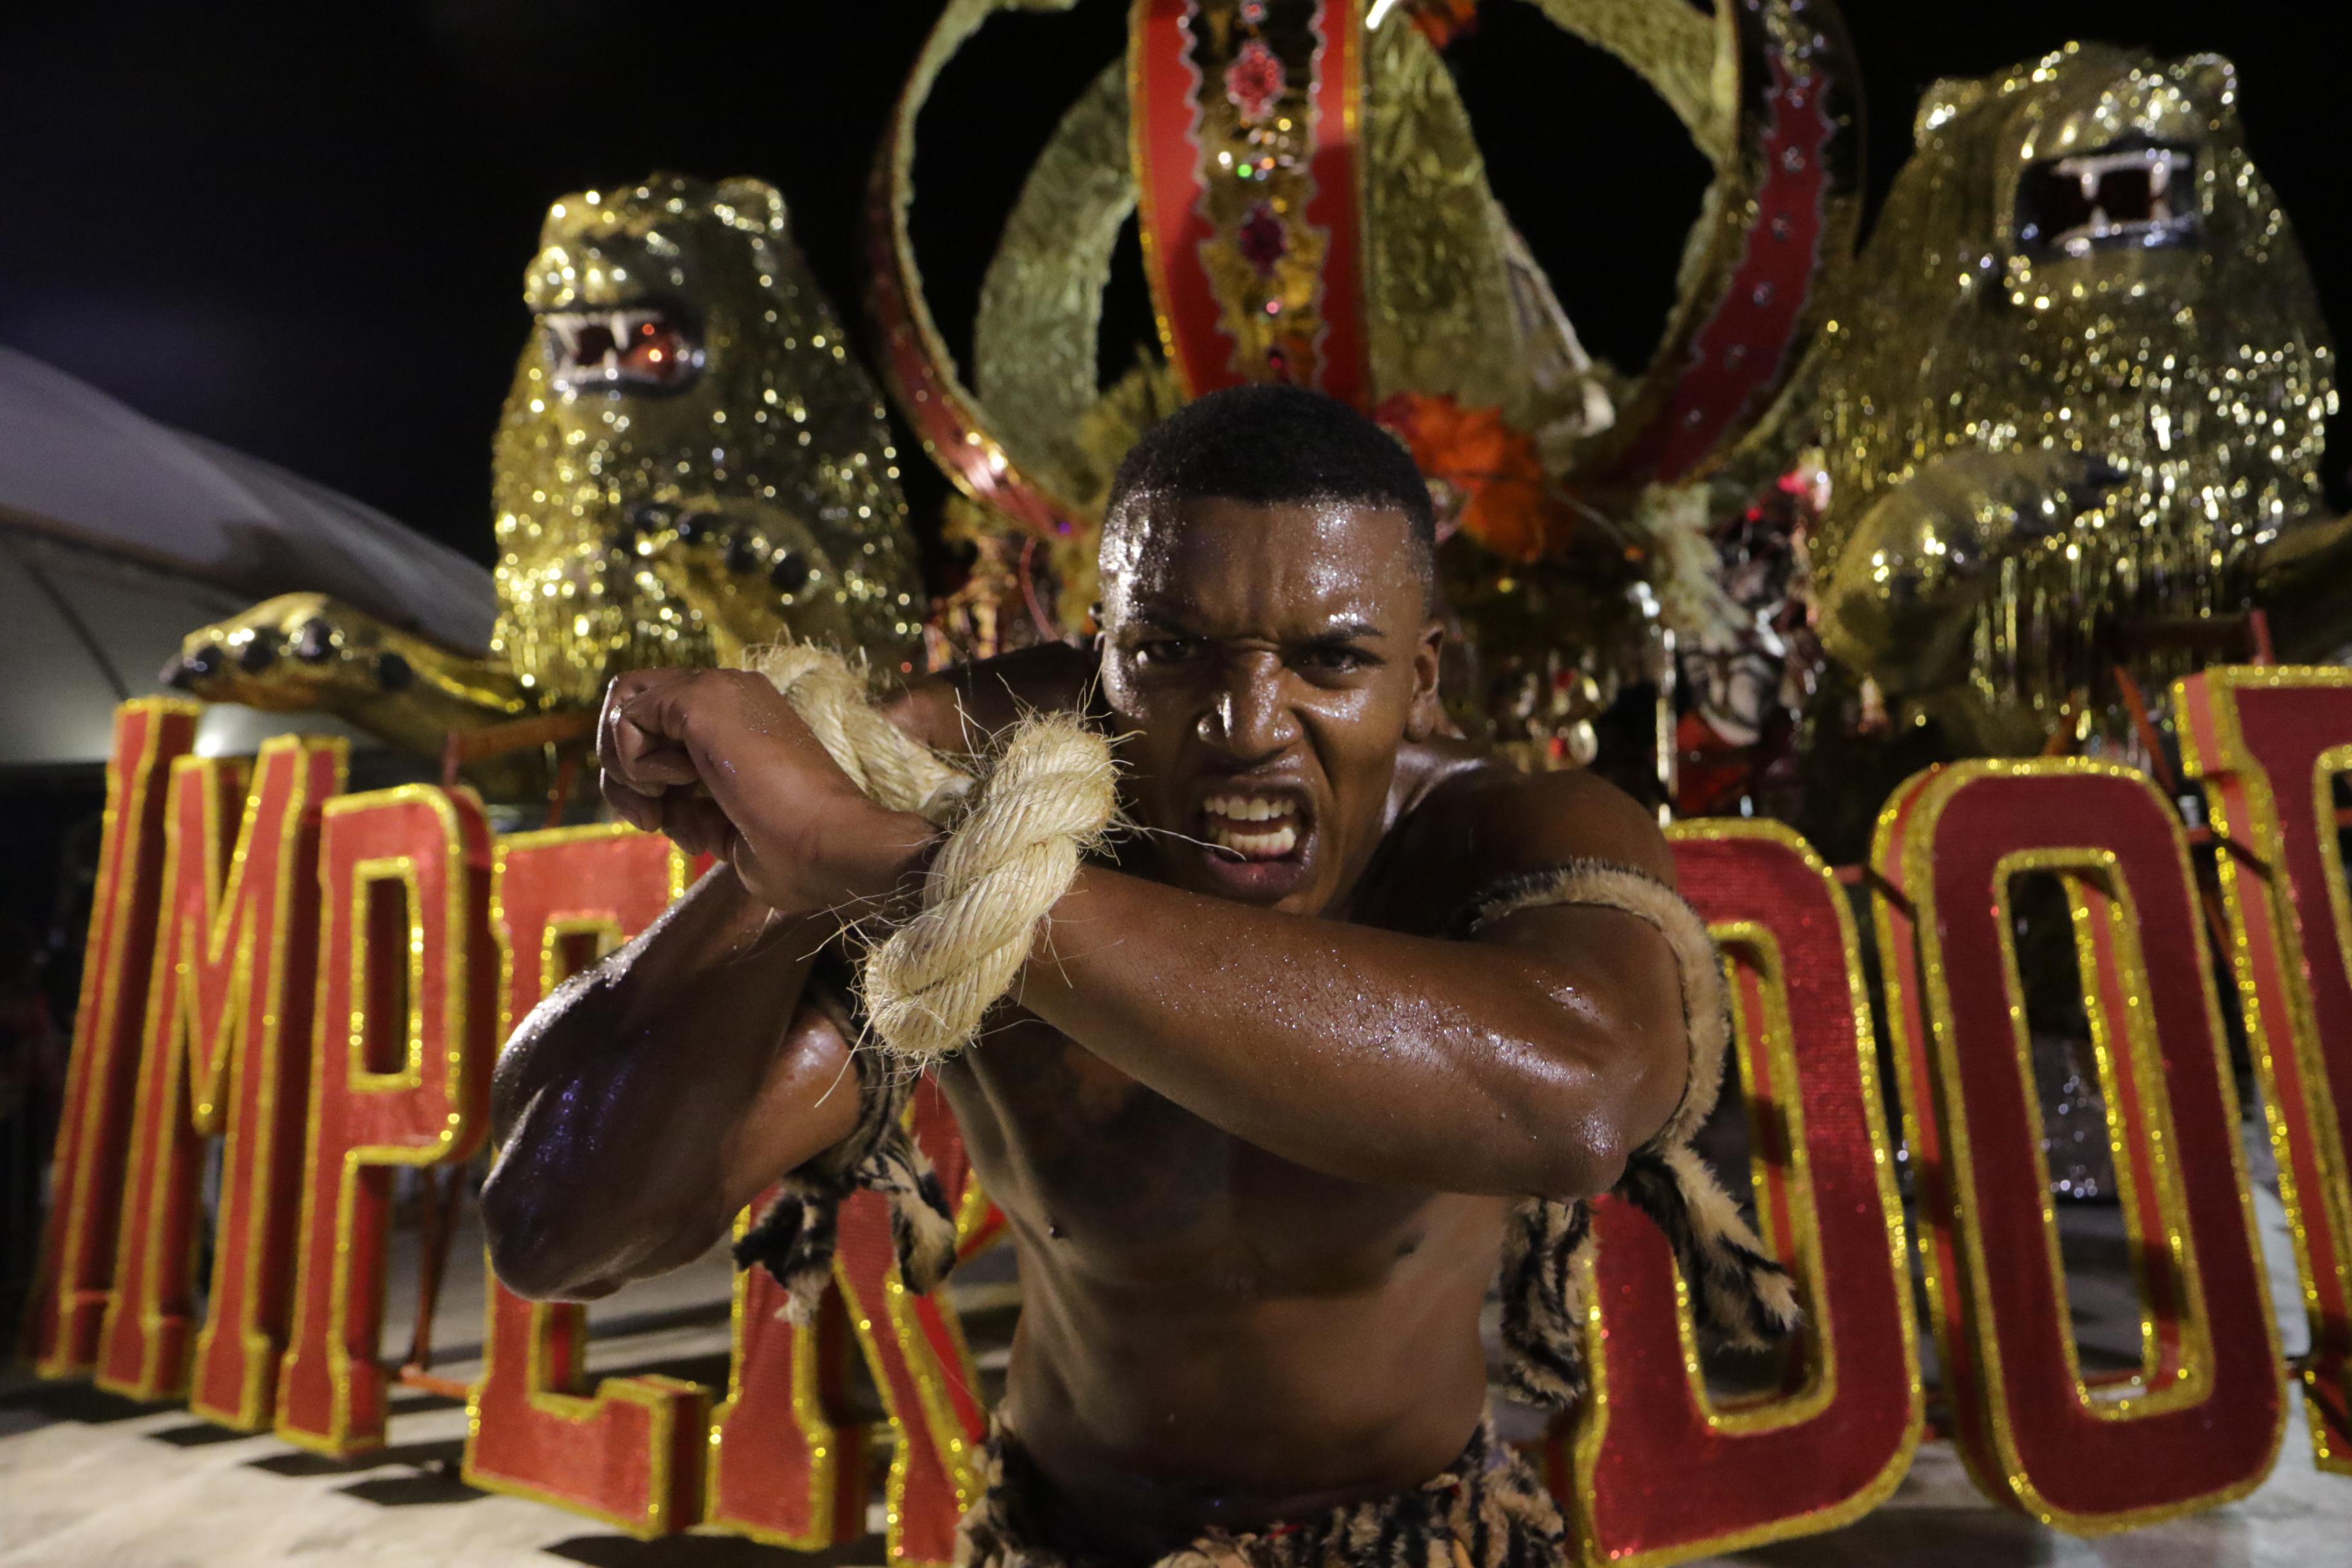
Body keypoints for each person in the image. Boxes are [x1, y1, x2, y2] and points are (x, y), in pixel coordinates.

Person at [483, 384, 1785, 1568]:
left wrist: (879, 853)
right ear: (1102, 656)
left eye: (1331, 660)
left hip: (1408, 1539)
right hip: (1057, 1534)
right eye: (1172, 652)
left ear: (1424, 678)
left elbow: (1582, 1098)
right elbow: (557, 1224)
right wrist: (799, 832)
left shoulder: (1504, 835)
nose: (1246, 730)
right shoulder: (967, 827)